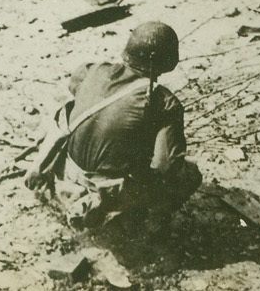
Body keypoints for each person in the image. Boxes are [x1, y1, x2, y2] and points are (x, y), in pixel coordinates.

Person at [28, 21, 201, 235]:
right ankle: (146, 224)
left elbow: (77, 92)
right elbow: (165, 166)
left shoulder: (92, 70)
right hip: (105, 190)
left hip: (67, 171)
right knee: (189, 174)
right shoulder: (163, 102)